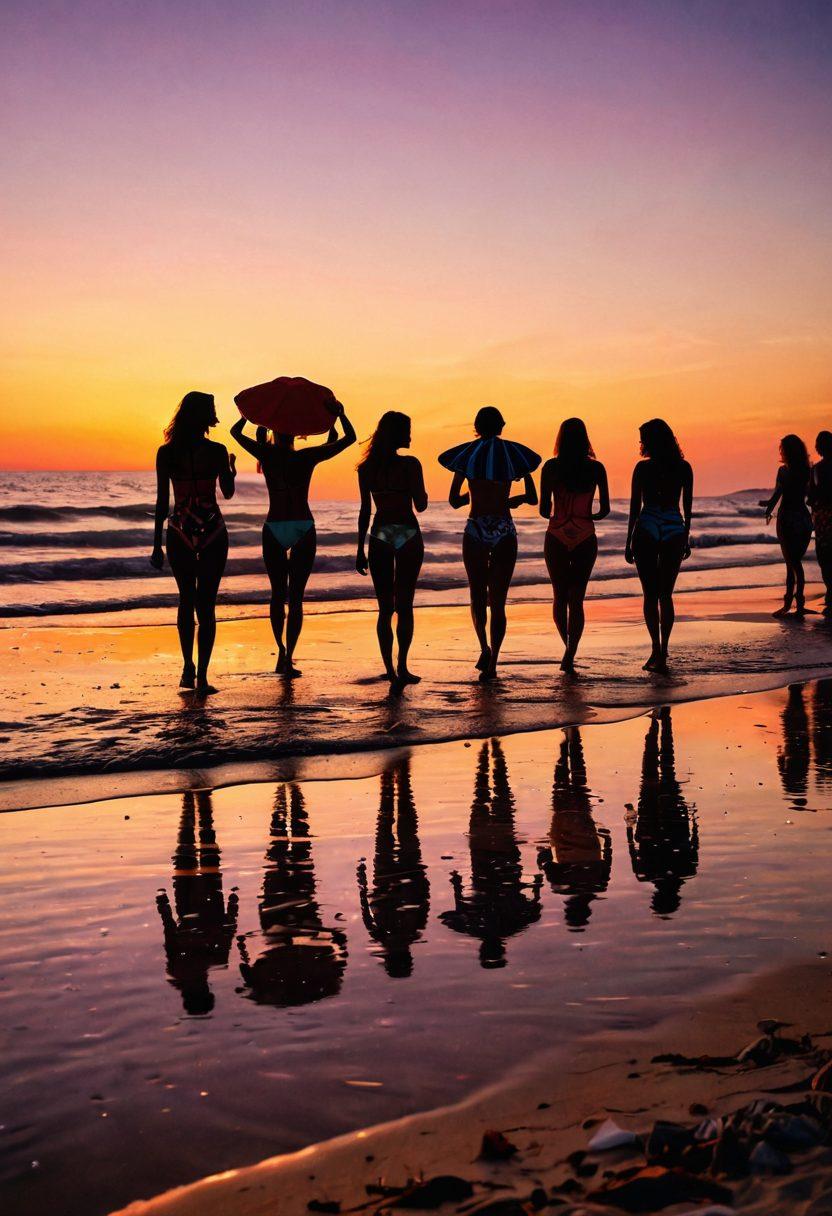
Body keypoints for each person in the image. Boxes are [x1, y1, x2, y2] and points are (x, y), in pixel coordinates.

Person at [231, 405, 355, 676]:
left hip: (274, 526)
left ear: (274, 431)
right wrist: (340, 415)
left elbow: (234, 432)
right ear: (296, 432)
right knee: (296, 597)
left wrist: (248, 416)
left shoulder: (265, 454)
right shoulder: (307, 456)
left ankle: (281, 652)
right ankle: (289, 657)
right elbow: (349, 438)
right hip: (302, 526)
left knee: (278, 595)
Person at [151, 391, 236, 693]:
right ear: (205, 416)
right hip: (213, 530)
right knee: (207, 605)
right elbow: (227, 493)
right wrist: (231, 471)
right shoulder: (217, 451)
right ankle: (202, 677)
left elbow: (163, 501)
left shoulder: (166, 453)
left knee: (186, 600)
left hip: (179, 530)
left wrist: (156, 544)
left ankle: (187, 668)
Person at [447, 407, 538, 680]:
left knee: (477, 595)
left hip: (476, 527)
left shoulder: (467, 457)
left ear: (476, 427)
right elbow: (533, 497)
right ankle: (494, 662)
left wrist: (474, 493)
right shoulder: (512, 456)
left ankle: (484, 647)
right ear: (501, 426)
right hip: (504, 528)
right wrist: (512, 497)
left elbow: (454, 501)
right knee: (498, 601)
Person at [356, 411, 427, 690]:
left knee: (385, 608)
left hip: (381, 532)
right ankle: (402, 666)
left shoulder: (367, 468)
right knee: (405, 605)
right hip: (407, 531)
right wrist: (420, 493)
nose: (410, 435)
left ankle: (390, 669)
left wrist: (359, 549)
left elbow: (365, 511)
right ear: (397, 434)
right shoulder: (411, 464)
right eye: (407, 430)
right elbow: (420, 505)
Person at [539, 418, 610, 672]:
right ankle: (571, 652)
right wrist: (586, 516)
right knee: (577, 598)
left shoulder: (550, 467)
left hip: (556, 535)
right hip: (585, 536)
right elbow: (604, 510)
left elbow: (544, 510)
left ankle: (567, 648)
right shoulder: (596, 468)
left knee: (560, 596)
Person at [625, 419, 693, 673]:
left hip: (647, 525)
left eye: (643, 439)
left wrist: (628, 540)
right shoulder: (684, 467)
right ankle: (663, 651)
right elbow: (687, 506)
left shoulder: (642, 468)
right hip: (674, 526)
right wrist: (686, 535)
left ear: (651, 441)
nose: (640, 443)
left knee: (650, 594)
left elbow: (635, 506)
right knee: (666, 594)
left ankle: (655, 649)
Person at [760, 434, 812, 618]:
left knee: (792, 562)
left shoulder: (784, 471)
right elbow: (810, 496)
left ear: (788, 451)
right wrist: (768, 508)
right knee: (794, 562)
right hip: (802, 519)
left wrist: (769, 507)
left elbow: (777, 494)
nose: (780, 452)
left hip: (787, 519)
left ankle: (792, 604)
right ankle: (795, 604)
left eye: (782, 449)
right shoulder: (807, 470)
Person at [809, 431, 832, 615]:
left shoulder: (816, 469)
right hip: (823, 517)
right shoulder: (815, 469)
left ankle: (831, 593)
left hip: (823, 519)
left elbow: (811, 497)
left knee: (824, 557)